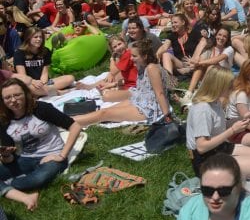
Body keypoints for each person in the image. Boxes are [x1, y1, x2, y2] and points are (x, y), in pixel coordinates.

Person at [0, 78, 82, 210]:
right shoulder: (4, 122)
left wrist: (62, 155)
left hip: (52, 155)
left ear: (25, 94)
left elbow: (75, 127)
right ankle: (22, 195)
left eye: (17, 95)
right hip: (26, 158)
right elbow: (11, 158)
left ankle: (8, 187)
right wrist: (6, 155)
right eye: (8, 97)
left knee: (37, 180)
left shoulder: (41, 109)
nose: (13, 100)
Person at [186, 66, 250, 178]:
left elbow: (218, 127)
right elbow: (201, 147)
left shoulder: (215, 102)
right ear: (219, 86)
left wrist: (244, 120)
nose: (233, 87)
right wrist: (232, 130)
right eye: (230, 85)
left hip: (220, 147)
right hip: (206, 159)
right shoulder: (202, 109)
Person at [73, 39, 172, 126]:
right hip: (139, 98)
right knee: (104, 111)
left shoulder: (151, 68)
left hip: (150, 108)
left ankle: (68, 122)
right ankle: (70, 120)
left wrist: (167, 116)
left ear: (145, 56)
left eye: (134, 56)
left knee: (104, 114)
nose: (131, 58)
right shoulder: (142, 65)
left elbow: (160, 93)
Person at [14, 27, 75, 93]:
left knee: (70, 78)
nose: (39, 39)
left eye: (41, 37)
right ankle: (56, 92)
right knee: (28, 89)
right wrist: (33, 82)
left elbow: (45, 73)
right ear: (28, 38)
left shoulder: (46, 51)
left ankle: (45, 92)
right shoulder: (19, 53)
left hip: (44, 83)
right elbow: (23, 76)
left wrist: (43, 84)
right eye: (35, 37)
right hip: (29, 83)